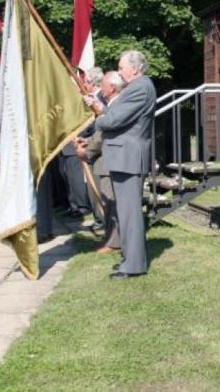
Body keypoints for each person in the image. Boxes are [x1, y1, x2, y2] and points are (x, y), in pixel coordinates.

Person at [90, 50, 156, 278]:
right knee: (127, 213)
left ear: (135, 69)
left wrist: (101, 117)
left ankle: (134, 265)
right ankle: (130, 259)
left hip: (128, 159)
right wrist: (104, 112)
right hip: (125, 158)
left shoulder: (140, 88)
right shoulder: (137, 87)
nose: (119, 71)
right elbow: (117, 115)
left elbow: (114, 120)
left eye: (121, 67)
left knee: (130, 215)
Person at [77, 70, 125, 254]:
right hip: (106, 159)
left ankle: (113, 243)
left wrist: (87, 152)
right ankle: (111, 240)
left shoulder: (111, 105)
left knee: (110, 203)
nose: (100, 89)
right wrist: (88, 142)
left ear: (112, 87)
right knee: (108, 202)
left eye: (103, 85)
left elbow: (104, 133)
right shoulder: (110, 105)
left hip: (109, 160)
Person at [58, 68, 104, 222]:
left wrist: (82, 136)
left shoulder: (98, 99)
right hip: (81, 142)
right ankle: (76, 207)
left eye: (85, 82)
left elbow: (93, 121)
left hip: (90, 145)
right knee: (70, 177)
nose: (83, 84)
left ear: (92, 82)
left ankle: (89, 211)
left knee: (92, 184)